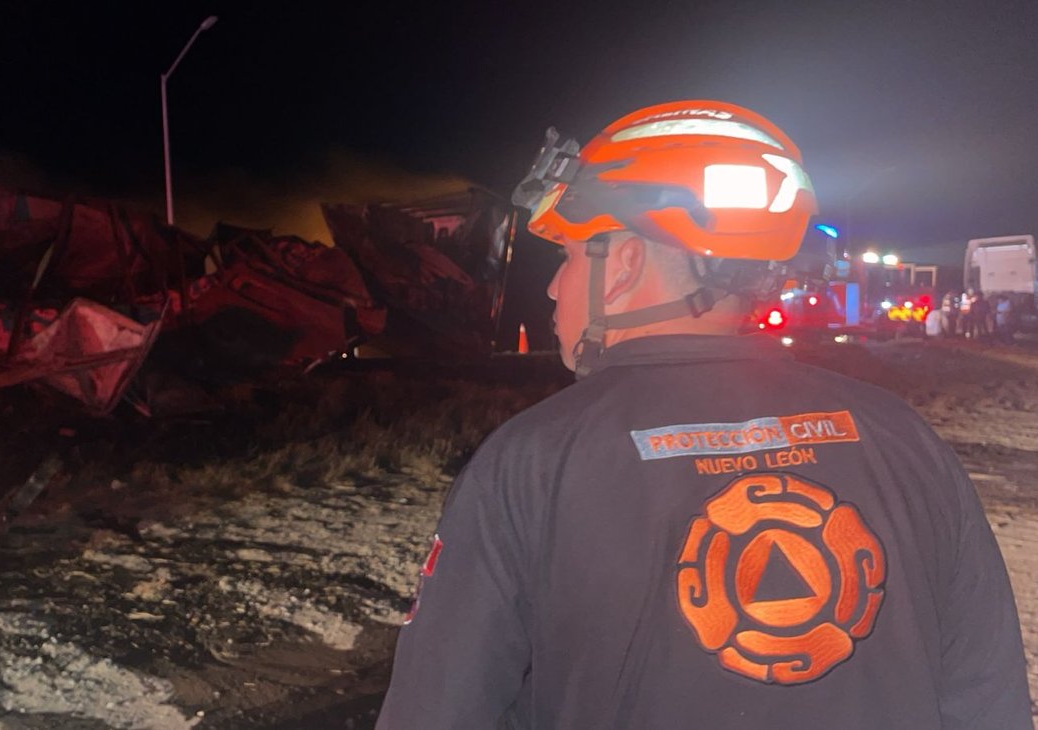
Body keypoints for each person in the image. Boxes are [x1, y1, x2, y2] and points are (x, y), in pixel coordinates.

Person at [377, 100, 1030, 729]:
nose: (552, 287)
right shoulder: (902, 435)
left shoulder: (532, 459)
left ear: (626, 261)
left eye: (569, 256)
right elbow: (985, 694)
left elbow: (436, 711)